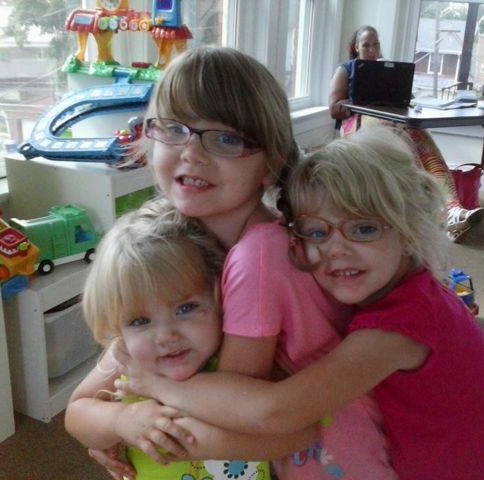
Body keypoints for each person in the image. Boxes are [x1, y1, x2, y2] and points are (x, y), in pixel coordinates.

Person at [115, 126, 484, 480]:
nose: (335, 249)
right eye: (317, 233)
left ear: (408, 229)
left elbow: (279, 412)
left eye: (363, 229)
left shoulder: (403, 324)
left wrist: (157, 386)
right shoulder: (403, 293)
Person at [66, 46, 397, 479]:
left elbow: (237, 421)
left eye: (226, 139)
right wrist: (118, 421)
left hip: (327, 462)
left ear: (271, 164)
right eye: (174, 129)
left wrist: (136, 428)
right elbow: (85, 402)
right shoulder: (178, 241)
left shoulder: (258, 258)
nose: (192, 153)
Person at [66, 198, 321, 480]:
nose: (166, 336)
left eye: (185, 308)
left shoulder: (242, 355)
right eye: (139, 321)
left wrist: (184, 439)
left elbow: (298, 435)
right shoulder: (127, 357)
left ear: (219, 296)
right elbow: (77, 412)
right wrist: (119, 421)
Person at [328, 24, 484, 243]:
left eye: (375, 45)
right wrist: (354, 102)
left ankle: (452, 210)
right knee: (404, 147)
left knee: (422, 139)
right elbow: (333, 109)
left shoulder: (389, 70)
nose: (372, 50)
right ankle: (429, 215)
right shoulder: (346, 69)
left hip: (392, 119)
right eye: (366, 45)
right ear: (356, 47)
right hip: (358, 121)